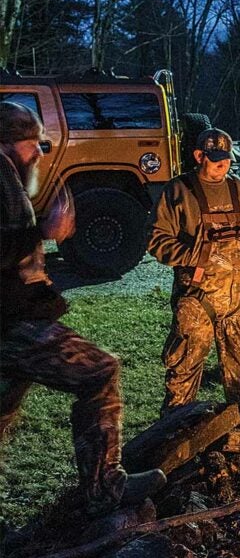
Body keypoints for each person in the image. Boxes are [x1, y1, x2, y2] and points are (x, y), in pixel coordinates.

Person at [1, 102, 165, 516]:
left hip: (17, 315)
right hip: (10, 323)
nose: (40, 151)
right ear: (8, 141)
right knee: (99, 371)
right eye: (32, 143)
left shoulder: (9, 177)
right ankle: (105, 488)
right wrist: (44, 231)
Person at [148, 128, 240, 418]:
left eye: (226, 158)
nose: (223, 164)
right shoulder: (179, 191)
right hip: (198, 301)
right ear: (199, 156)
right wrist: (195, 257)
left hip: (238, 301)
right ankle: (173, 435)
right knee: (183, 371)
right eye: (215, 159)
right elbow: (157, 239)